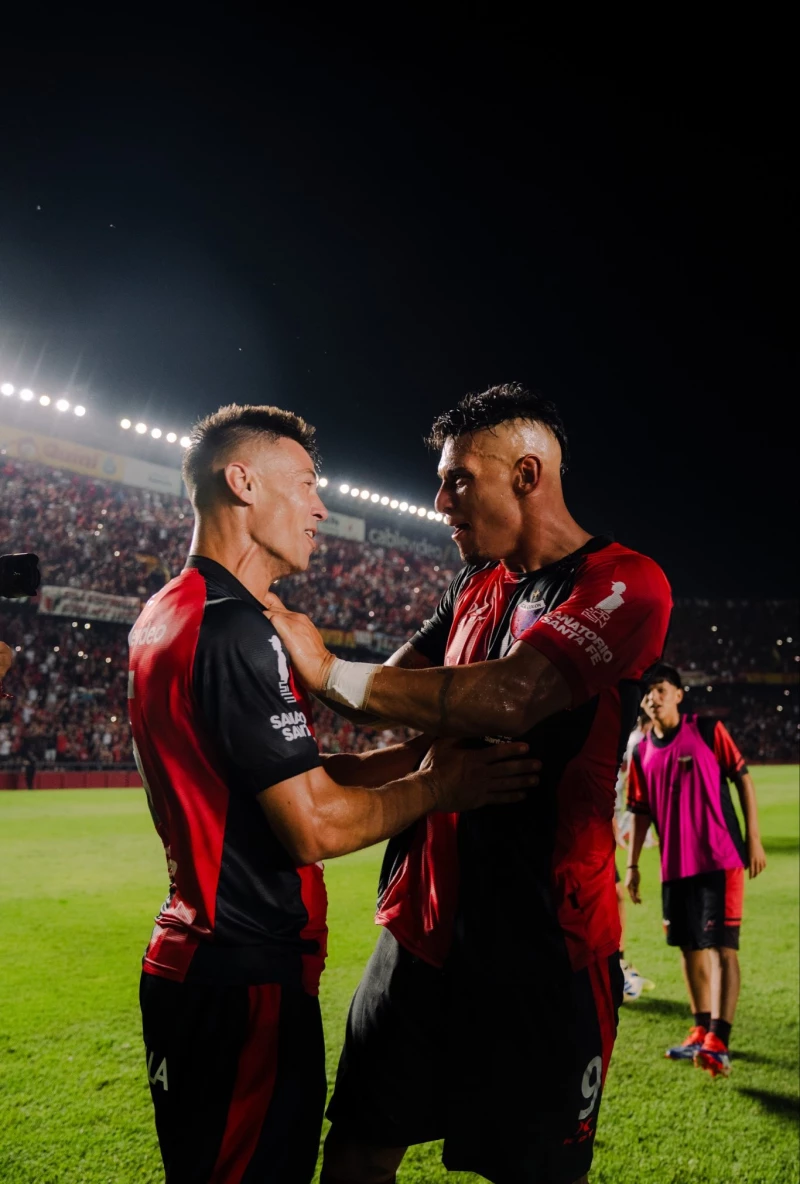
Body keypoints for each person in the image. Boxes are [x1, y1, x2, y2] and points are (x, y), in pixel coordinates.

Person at [264, 383, 673, 1184]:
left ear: (526, 474)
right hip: (418, 935)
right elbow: (389, 692)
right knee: (354, 1152)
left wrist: (327, 669)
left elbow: (514, 694)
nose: (440, 499)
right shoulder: (471, 586)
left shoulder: (626, 583)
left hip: (544, 953)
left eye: (459, 480)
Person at [127, 402, 539, 1184]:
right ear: (242, 482)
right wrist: (439, 785)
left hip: (198, 965)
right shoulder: (233, 628)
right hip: (243, 976)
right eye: (307, 483)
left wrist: (411, 754)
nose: (322, 506)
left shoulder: (168, 612)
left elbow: (294, 778)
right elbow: (311, 825)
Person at [625, 663, 767, 1078]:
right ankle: (700, 1029)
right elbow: (639, 811)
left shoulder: (706, 730)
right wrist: (633, 865)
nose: (654, 698)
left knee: (722, 947)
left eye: (661, 689)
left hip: (720, 859)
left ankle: (719, 1041)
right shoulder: (641, 751)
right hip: (675, 867)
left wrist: (753, 838)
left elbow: (742, 778)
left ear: (679, 694)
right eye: (648, 692)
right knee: (689, 949)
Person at [615, 712, 655, 1002]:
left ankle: (617, 965)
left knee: (615, 895)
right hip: (589, 825)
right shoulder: (633, 740)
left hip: (606, 819)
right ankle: (616, 968)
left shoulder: (620, 739)